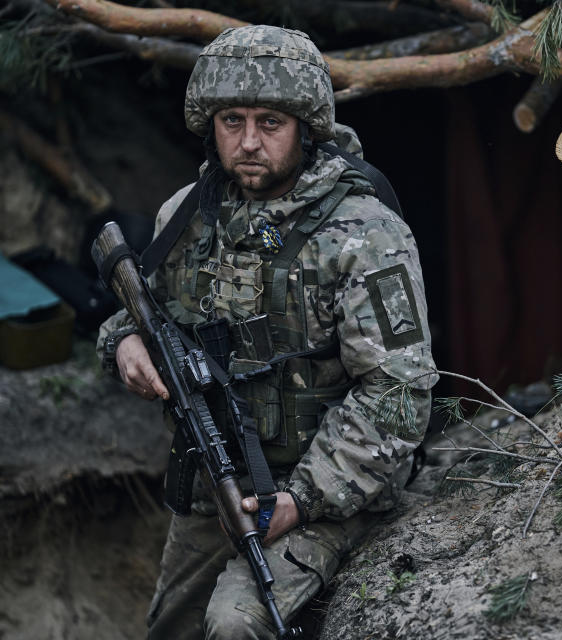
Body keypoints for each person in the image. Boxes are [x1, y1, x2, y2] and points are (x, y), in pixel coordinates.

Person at [96, 25, 437, 639]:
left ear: (307, 128)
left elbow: (397, 396)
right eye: (232, 121)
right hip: (214, 485)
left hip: (328, 492)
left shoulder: (364, 233)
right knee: (169, 630)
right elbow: (138, 309)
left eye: (270, 123)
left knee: (235, 625)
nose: (249, 142)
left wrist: (302, 499)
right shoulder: (188, 214)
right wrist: (124, 344)